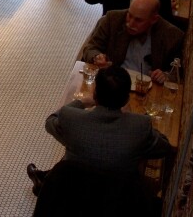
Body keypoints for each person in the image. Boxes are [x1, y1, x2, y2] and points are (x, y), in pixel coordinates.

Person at [25, 66, 171, 198]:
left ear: (95, 95)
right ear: (126, 99)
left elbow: (50, 121)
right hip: (116, 201)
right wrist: (130, 116)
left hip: (73, 193)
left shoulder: (71, 118)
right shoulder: (140, 126)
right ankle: (43, 178)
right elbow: (164, 147)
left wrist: (82, 102)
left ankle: (44, 179)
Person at [80, 0, 184, 83]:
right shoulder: (112, 19)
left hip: (146, 88)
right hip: (112, 82)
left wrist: (165, 75)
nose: (130, 23)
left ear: (154, 19)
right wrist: (97, 57)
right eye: (129, 15)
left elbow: (176, 74)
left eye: (138, 20)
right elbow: (90, 48)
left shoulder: (172, 36)